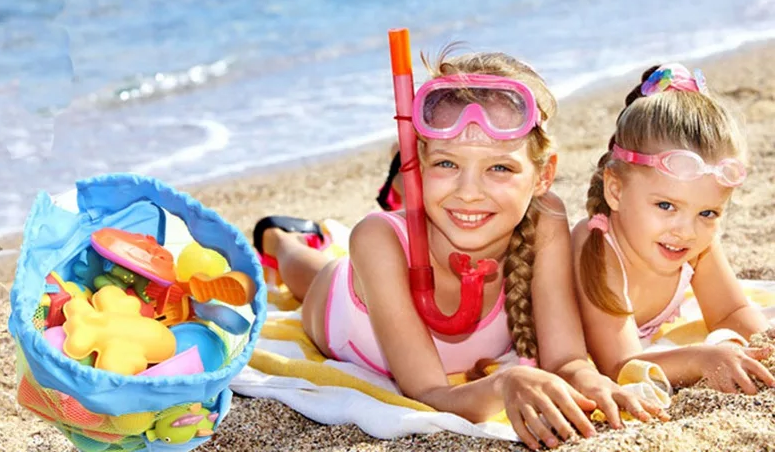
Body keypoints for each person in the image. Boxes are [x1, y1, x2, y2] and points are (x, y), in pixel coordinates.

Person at [254, 48, 665, 449]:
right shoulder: (377, 241)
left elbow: (565, 359)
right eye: (447, 164)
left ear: (544, 175)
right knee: (308, 271)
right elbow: (429, 392)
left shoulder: (546, 220)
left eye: (499, 168)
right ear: (416, 165)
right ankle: (279, 237)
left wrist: (595, 383)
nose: (469, 193)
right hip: (340, 309)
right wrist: (507, 382)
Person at [572, 63, 775, 394]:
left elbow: (730, 311)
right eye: (666, 206)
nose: (686, 231)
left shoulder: (695, 241)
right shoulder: (596, 244)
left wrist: (764, 347)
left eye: (708, 212)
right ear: (615, 191)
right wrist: (701, 360)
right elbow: (619, 365)